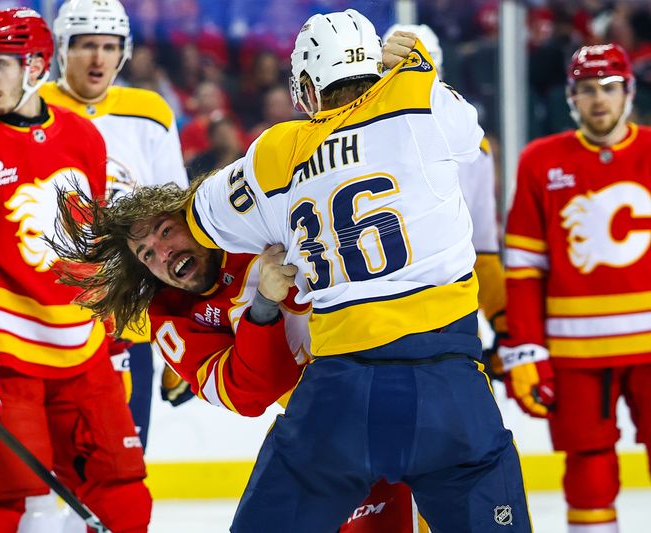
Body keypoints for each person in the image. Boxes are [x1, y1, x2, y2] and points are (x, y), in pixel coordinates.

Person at [185, 11, 531, 532]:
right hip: (450, 385)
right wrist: (418, 69)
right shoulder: (416, 96)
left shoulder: (277, 151)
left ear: (305, 85)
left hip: (339, 393)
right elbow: (468, 137)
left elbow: (201, 219)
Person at [49, 182, 424, 533]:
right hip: (319, 425)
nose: (162, 253)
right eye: (147, 254)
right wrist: (263, 306)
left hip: (399, 394)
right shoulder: (173, 317)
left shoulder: (259, 223)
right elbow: (250, 394)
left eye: (165, 231)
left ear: (194, 220)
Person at [0, 8, 150, 533]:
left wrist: (112, 337)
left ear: (35, 65)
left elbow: (95, 250)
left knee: (124, 494)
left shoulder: (83, 138)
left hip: (84, 354)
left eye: (0, 65)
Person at [500, 43, 651, 533]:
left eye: (608, 88)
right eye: (587, 90)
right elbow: (524, 266)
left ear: (628, 91)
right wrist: (526, 347)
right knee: (588, 468)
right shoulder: (541, 160)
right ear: (571, 97)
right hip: (575, 351)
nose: (599, 100)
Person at [40, 0, 188, 451]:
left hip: (128, 318)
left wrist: (182, 333)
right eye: (86, 45)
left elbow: (176, 225)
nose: (98, 58)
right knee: (46, 473)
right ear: (62, 49)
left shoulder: (149, 111)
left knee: (120, 466)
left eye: (109, 46)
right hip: (45, 318)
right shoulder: (31, 106)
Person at [382, 23, 507, 368]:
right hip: (374, 314)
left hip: (449, 311)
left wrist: (506, 324)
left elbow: (481, 249)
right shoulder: (360, 137)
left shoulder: (474, 148)